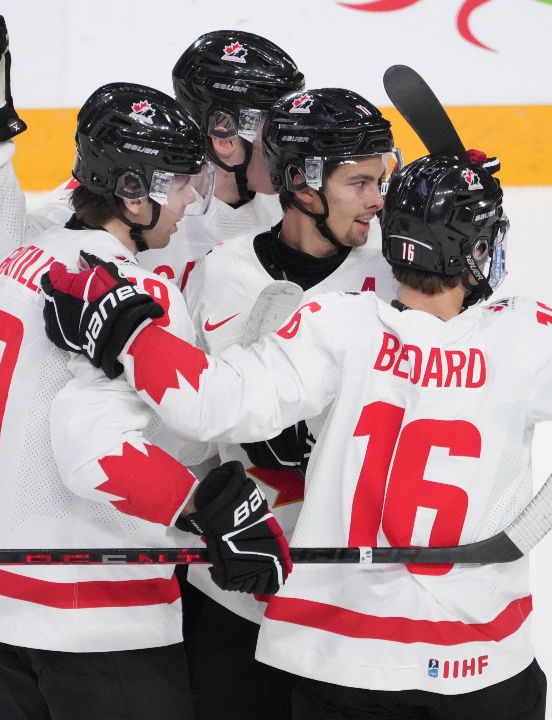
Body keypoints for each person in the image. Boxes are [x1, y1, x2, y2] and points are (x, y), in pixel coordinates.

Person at [36, 150, 552, 719]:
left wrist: (129, 331)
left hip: (339, 663)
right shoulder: (526, 340)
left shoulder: (339, 325)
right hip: (476, 664)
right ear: (479, 249)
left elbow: (210, 403)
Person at [0, 82, 287, 720]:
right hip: (95, 606)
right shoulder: (140, 295)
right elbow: (105, 451)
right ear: (133, 192)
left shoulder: (21, 262)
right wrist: (207, 507)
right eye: (178, 183)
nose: (192, 197)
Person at [175, 85, 403, 720]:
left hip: (347, 593)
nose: (377, 200)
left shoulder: (394, 279)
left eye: (379, 180)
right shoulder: (220, 271)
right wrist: (195, 507)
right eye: (359, 182)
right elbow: (183, 428)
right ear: (303, 183)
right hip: (235, 585)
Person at [0, 18, 302, 286]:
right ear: (223, 133)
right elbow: (0, 259)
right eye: (275, 126)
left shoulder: (301, 207)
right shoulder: (131, 187)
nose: (290, 142)